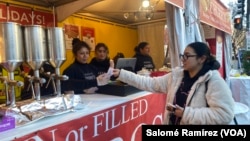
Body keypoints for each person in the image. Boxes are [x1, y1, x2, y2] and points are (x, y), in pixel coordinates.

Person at [112, 41, 235, 125]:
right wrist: (122, 74)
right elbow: (150, 83)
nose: (183, 59)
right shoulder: (177, 75)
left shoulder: (213, 81)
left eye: (187, 56)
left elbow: (225, 114)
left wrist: (186, 113)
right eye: (183, 56)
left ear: (201, 59)